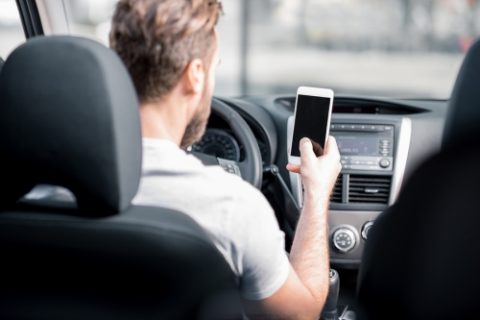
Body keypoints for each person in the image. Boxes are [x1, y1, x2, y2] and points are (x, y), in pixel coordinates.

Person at [109, 0, 341, 318]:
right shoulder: (231, 207)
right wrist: (316, 195)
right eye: (214, 66)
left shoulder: (42, 186)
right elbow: (301, 313)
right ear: (195, 75)